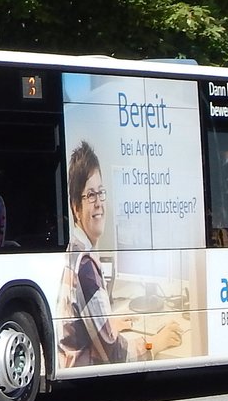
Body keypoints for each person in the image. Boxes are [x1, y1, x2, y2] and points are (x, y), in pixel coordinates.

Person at [56, 141, 182, 367]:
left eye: (100, 193)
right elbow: (114, 354)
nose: (98, 203)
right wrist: (154, 343)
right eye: (90, 195)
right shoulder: (85, 267)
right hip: (86, 376)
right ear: (75, 208)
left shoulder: (76, 250)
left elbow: (86, 331)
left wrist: (108, 325)